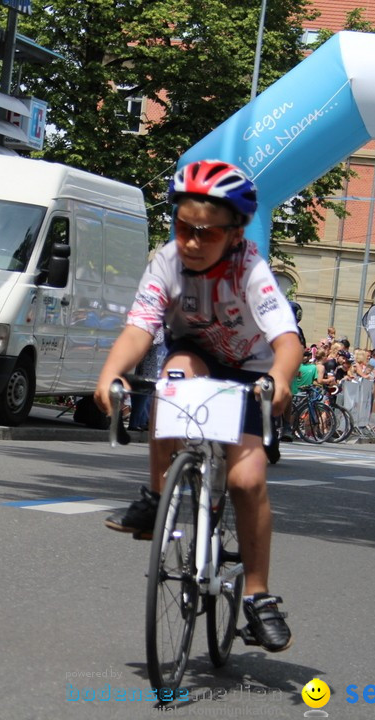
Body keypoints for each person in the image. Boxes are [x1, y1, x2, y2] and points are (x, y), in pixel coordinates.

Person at [93, 159, 301, 653]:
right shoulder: (165, 261)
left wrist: (280, 377)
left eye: (205, 233)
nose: (190, 240)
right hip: (200, 356)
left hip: (253, 371)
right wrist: (111, 371)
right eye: (183, 226)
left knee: (246, 481)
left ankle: (258, 596)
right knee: (173, 379)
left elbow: (287, 339)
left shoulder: (251, 267)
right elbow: (141, 326)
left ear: (235, 233)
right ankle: (157, 496)